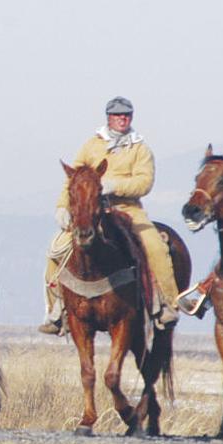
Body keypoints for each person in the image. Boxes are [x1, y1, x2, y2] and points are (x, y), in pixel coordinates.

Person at [40, 96, 180, 333]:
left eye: (126, 115)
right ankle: (56, 310)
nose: (122, 119)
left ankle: (167, 302)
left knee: (155, 246)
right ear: (109, 118)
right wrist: (62, 207)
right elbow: (73, 179)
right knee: (56, 249)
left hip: (127, 208)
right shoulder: (91, 145)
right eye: (117, 115)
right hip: (89, 210)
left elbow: (145, 182)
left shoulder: (140, 149)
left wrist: (115, 185)